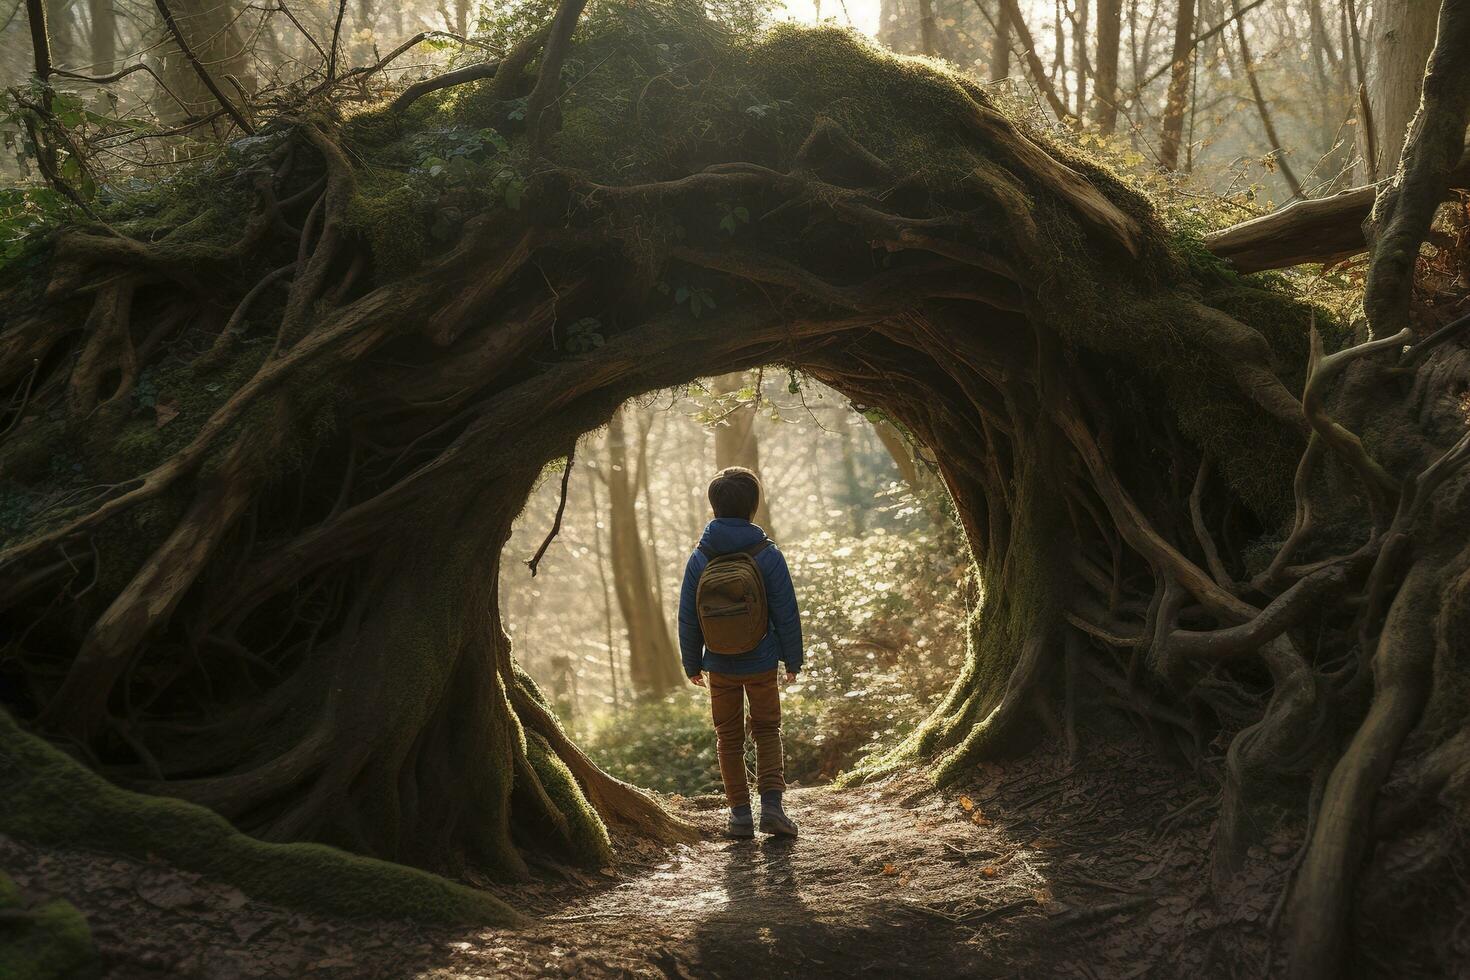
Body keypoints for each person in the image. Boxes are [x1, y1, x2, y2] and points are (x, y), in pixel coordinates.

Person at [678, 466, 803, 839]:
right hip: (762, 661)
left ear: (714, 507)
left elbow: (688, 615)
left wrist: (691, 663)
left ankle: (739, 816)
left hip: (718, 664)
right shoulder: (767, 554)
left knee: (728, 738)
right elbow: (785, 609)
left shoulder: (700, 557)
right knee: (766, 730)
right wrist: (792, 658)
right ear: (753, 507)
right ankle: (772, 808)